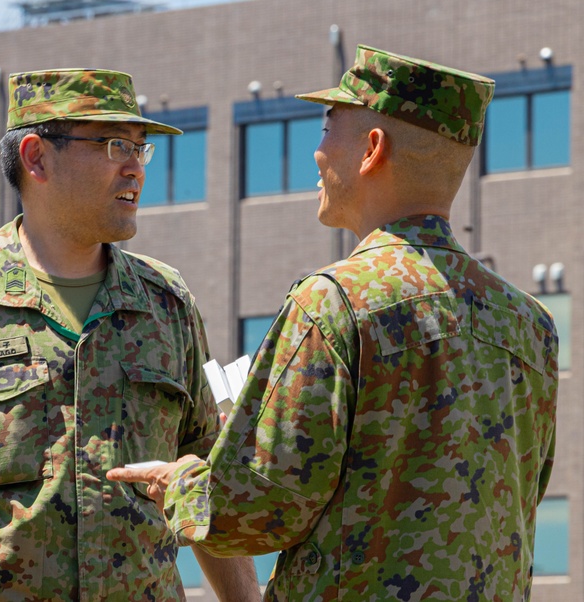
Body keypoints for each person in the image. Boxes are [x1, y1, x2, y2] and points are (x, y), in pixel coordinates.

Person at [109, 45, 559, 600]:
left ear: (372, 150)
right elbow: (525, 493)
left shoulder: (336, 301)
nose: (317, 152)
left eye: (327, 128)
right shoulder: (530, 324)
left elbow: (254, 512)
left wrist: (177, 483)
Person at [0, 68, 259, 600]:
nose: (136, 169)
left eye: (141, 149)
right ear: (36, 157)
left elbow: (199, 479)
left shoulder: (166, 303)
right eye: (113, 145)